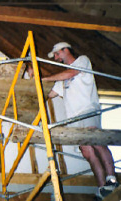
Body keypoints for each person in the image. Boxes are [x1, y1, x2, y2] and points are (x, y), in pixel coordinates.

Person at [36, 42, 119, 200]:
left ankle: (112, 180)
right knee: (87, 151)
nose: (56, 58)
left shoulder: (82, 60)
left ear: (65, 49)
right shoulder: (62, 79)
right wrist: (32, 87)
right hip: (73, 118)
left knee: (97, 141)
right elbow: (50, 94)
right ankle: (102, 187)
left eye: (57, 54)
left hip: (87, 109)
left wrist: (44, 78)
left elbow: (72, 73)